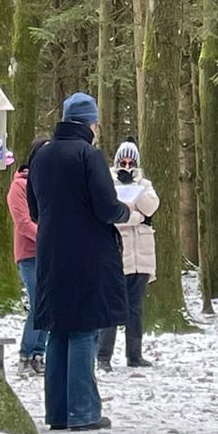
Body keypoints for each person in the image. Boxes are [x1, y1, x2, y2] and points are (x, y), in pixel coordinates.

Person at [27, 92, 130, 432]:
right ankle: (84, 412)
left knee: (58, 330)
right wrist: (126, 211)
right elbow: (106, 207)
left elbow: (34, 209)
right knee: (85, 329)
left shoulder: (41, 155)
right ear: (90, 123)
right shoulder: (89, 155)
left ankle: (58, 413)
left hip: (51, 252)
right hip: (87, 252)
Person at [97, 141, 160, 372]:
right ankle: (103, 357)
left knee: (135, 309)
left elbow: (150, 208)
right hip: (118, 255)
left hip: (141, 257)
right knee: (111, 308)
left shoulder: (145, 185)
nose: (127, 166)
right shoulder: (107, 184)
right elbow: (114, 216)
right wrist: (136, 217)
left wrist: (135, 188)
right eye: (123, 162)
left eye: (131, 162)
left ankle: (134, 355)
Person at [7, 137, 49, 376]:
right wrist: (48, 238)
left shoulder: (51, 183)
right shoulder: (19, 186)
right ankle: (26, 354)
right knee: (38, 303)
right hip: (30, 253)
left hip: (50, 253)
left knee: (48, 304)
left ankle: (38, 354)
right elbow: (23, 223)